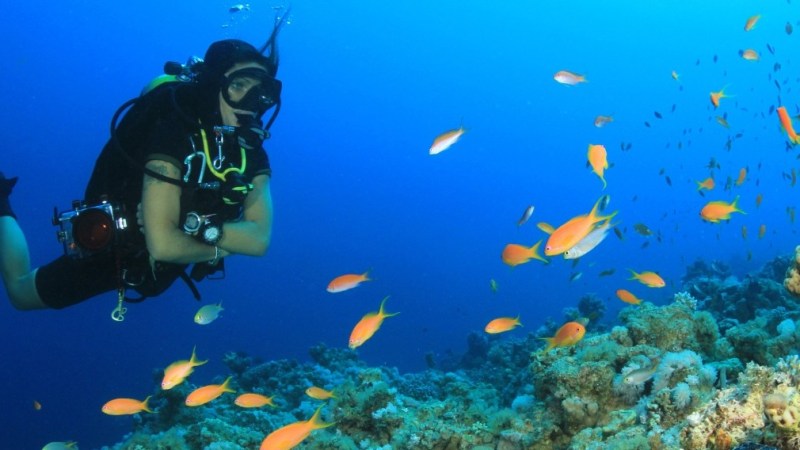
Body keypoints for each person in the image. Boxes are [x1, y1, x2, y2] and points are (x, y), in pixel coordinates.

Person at [0, 16, 288, 316]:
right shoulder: (173, 133)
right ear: (214, 85)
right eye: (238, 85)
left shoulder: (251, 152)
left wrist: (194, 230)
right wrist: (224, 244)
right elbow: (163, 245)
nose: (252, 100)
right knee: (21, 293)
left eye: (262, 90)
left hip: (165, 265)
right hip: (117, 249)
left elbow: (260, 240)